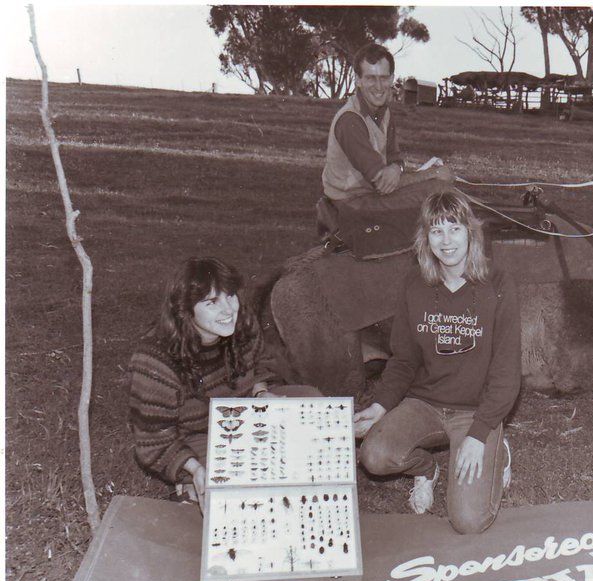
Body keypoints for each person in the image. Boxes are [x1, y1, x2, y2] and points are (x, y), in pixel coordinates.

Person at [353, 190, 521, 534]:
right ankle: (426, 470)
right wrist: (380, 406)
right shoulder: (415, 283)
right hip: (425, 404)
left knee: (469, 521)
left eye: (454, 229)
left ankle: (497, 450)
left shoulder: (498, 283)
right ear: (425, 238)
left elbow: (506, 372)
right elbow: (403, 359)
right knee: (374, 456)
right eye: (436, 230)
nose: (446, 241)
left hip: (475, 411)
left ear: (470, 232)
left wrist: (479, 433)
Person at [128, 257, 320, 505]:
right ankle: (191, 485)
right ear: (185, 310)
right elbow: (153, 440)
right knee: (247, 476)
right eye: (212, 302)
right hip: (197, 435)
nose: (228, 310)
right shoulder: (156, 360)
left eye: (230, 296)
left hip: (245, 413)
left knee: (311, 401)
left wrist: (260, 393)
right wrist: (194, 468)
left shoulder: (242, 322)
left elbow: (260, 363)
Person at [318, 43, 453, 256]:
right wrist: (432, 173)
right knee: (439, 191)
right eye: (371, 78)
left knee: (441, 190)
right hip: (352, 203)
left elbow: (395, 157)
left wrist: (396, 169)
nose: (378, 86)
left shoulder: (383, 112)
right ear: (358, 80)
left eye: (383, 78)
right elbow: (381, 182)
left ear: (392, 79)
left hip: (369, 194)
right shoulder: (350, 121)